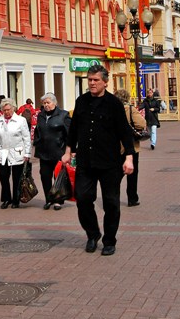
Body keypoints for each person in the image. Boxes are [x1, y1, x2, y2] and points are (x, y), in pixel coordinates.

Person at [61, 63, 134, 256]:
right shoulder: (81, 101)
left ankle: (109, 240)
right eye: (90, 80)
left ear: (105, 82)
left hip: (110, 163)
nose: (92, 83)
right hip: (86, 162)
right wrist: (68, 151)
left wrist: (129, 158)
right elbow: (74, 129)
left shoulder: (114, 104)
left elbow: (124, 133)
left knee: (111, 202)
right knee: (83, 199)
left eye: (96, 80)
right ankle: (92, 234)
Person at [0, 98, 32, 209]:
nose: (7, 112)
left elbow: (26, 137)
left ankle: (16, 199)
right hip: (3, 152)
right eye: (4, 110)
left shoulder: (20, 120)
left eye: (9, 109)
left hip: (17, 151)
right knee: (3, 176)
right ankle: (6, 199)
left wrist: (27, 153)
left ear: (13, 108)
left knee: (17, 177)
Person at [33, 92, 71, 210]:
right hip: (44, 152)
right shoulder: (41, 115)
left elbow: (70, 134)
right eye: (44, 103)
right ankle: (48, 199)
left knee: (58, 177)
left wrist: (69, 151)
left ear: (54, 103)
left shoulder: (63, 115)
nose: (46, 105)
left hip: (58, 152)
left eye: (48, 102)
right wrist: (37, 142)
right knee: (45, 176)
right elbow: (37, 131)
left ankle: (58, 200)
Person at [118, 89, 145, 207]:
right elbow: (142, 124)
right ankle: (132, 198)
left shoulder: (112, 110)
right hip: (132, 146)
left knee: (116, 174)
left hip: (116, 147)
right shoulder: (130, 109)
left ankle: (113, 196)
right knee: (132, 174)